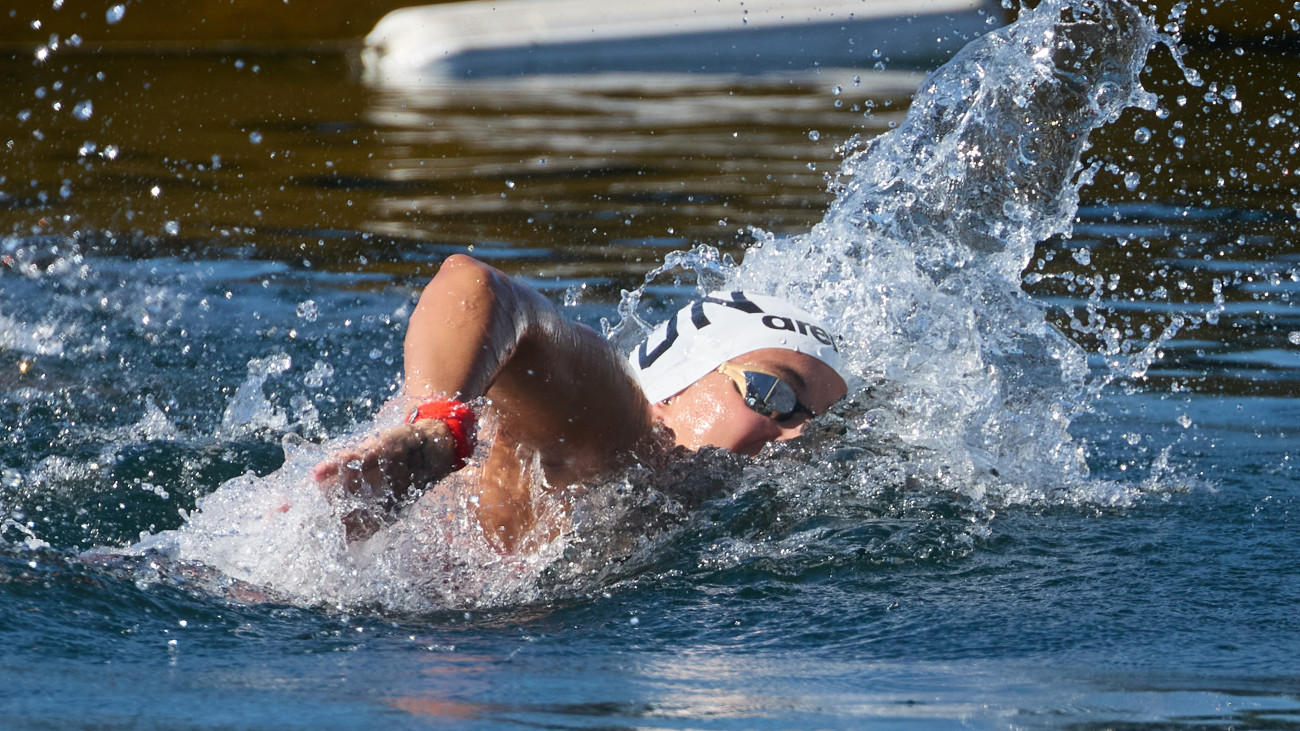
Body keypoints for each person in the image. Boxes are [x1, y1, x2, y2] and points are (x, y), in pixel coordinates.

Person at [312, 254, 847, 551]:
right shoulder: (625, 430)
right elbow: (477, 286)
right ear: (674, 385)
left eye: (820, 425)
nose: (798, 435)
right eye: (771, 394)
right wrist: (438, 427)